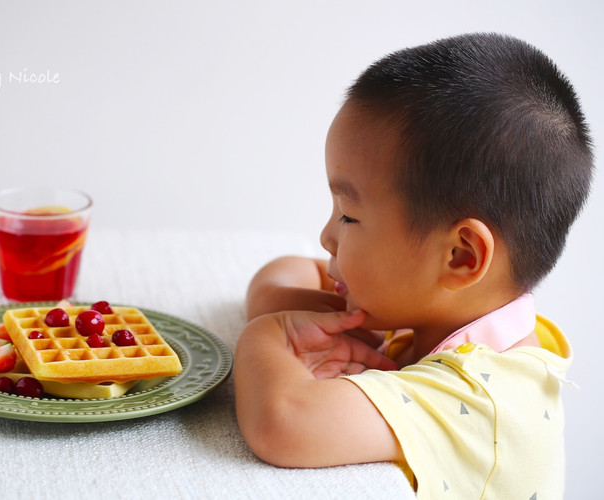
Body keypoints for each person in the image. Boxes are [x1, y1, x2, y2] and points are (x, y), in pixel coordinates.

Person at [234, 32, 593, 498]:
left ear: (461, 256)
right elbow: (279, 274)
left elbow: (283, 421)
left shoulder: (481, 401)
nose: (326, 237)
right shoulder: (441, 303)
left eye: (348, 216)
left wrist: (269, 333)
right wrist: (293, 305)